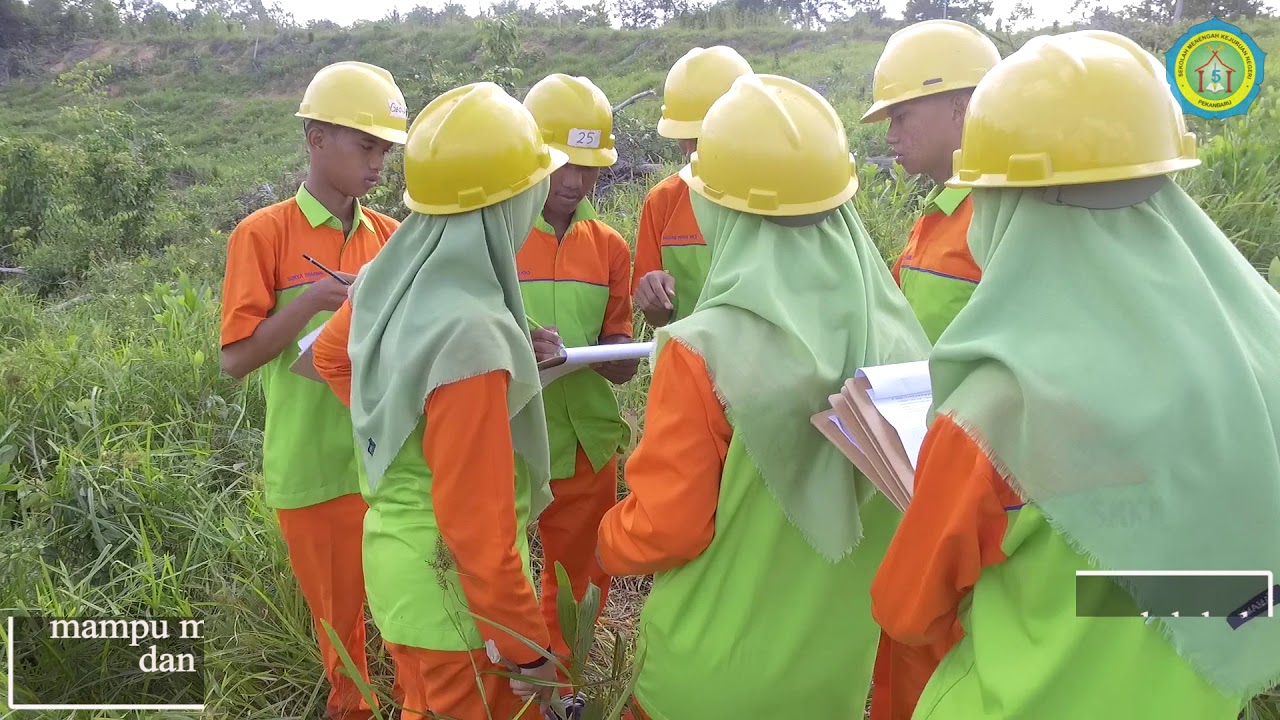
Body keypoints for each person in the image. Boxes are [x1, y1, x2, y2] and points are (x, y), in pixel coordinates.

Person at [868, 30, 1280, 720]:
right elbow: (1222, 587)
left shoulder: (997, 413)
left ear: (1000, 206)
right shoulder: (1256, 362)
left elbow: (906, 609)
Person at [597, 73, 933, 719]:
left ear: (716, 206)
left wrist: (605, 537)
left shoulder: (704, 347)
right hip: (832, 674)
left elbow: (665, 528)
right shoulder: (899, 338)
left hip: (705, 673)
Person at [311, 81, 569, 720]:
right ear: (507, 204)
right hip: (460, 606)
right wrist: (528, 649)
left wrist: (401, 421)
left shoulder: (385, 277)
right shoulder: (472, 334)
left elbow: (331, 356)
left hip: (400, 574)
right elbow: (475, 529)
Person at [218, 60, 408, 720]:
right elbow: (237, 358)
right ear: (317, 138)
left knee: (409, 619)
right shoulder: (263, 234)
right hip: (314, 467)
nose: (378, 163)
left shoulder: (392, 237)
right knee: (344, 643)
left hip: (391, 463)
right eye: (366, 146)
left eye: (384, 150)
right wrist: (312, 304)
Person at [516, 73, 636, 716]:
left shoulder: (610, 247)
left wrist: (614, 356)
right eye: (562, 162)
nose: (572, 181)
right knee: (500, 572)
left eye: (588, 168)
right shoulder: (497, 236)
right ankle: (508, 688)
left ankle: (561, 693)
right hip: (511, 438)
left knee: (580, 578)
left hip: (588, 439)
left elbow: (622, 356)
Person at [860, 20, 1001, 344]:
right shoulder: (939, 208)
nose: (890, 135)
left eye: (902, 116)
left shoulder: (1000, 216)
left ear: (960, 108)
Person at [631, 46, 752, 327]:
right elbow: (656, 318)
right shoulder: (663, 201)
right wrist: (653, 298)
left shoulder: (775, 198)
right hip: (687, 364)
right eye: (684, 137)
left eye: (702, 137)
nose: (689, 150)